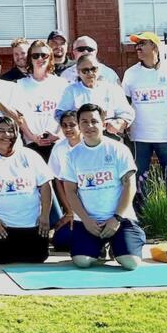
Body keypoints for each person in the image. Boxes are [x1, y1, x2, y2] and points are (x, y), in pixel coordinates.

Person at [60, 103, 145, 270]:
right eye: (84, 122)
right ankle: (100, 247)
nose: (89, 126)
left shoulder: (118, 149)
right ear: (79, 125)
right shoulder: (72, 155)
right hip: (88, 222)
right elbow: (70, 191)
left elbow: (130, 186)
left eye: (94, 121)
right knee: (82, 262)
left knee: (130, 263)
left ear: (103, 122)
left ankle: (120, 244)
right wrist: (85, 219)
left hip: (120, 219)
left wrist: (116, 219)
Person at [0, 118, 53, 264]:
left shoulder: (31, 156)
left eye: (11, 131)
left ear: (18, 134)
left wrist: (45, 216)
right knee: (1, 258)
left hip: (32, 224)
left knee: (38, 257)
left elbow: (46, 185)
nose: (6, 135)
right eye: (1, 131)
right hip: (2, 226)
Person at [123, 31, 167, 198]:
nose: (138, 47)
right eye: (137, 44)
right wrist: (124, 127)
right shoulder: (130, 74)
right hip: (139, 137)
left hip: (166, 137)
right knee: (139, 178)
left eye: (142, 43)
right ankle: (141, 214)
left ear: (155, 47)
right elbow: (125, 104)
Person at [56, 54, 133, 138]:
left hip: (108, 136)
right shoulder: (71, 90)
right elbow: (59, 113)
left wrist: (119, 123)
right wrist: (74, 122)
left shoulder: (112, 89)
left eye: (94, 69)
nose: (90, 73)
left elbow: (127, 113)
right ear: (78, 72)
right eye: (85, 70)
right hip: (81, 137)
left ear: (99, 69)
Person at [17, 39, 69, 161]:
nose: (40, 59)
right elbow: (19, 116)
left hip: (58, 143)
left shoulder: (62, 84)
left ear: (50, 58)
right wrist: (32, 137)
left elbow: (67, 112)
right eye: (35, 56)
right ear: (30, 59)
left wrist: (58, 135)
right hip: (31, 144)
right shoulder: (20, 85)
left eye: (44, 55)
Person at [48, 109, 80, 251]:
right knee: (60, 242)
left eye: (72, 125)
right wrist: (69, 211)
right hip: (72, 203)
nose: (68, 129)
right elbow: (58, 181)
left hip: (93, 206)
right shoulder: (59, 148)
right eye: (64, 125)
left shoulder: (91, 145)